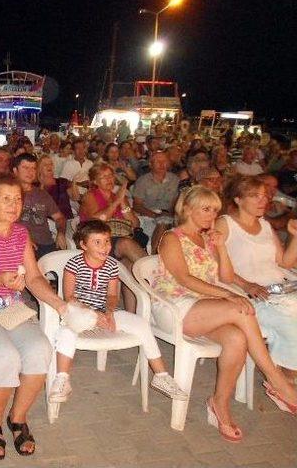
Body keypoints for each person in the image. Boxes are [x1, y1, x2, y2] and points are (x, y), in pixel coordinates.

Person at [154, 186, 297, 442]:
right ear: (187, 209)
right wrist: (227, 295)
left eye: (215, 210)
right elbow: (183, 278)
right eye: (206, 209)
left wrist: (220, 248)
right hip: (175, 306)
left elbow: (227, 277)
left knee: (237, 339)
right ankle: (277, 380)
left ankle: (219, 405)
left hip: (206, 307)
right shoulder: (171, 238)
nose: (212, 216)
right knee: (241, 307)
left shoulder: (208, 238)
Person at [0, 174, 70, 459]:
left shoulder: (21, 234)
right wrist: (2, 280)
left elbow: (33, 277)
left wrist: (59, 304)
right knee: (6, 356)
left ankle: (17, 418)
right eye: (6, 199)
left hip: (9, 309)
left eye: (18, 199)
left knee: (40, 348)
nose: (14, 204)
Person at [48, 220, 187, 403]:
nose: (104, 247)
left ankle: (161, 375)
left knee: (141, 324)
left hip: (103, 311)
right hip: (79, 312)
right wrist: (93, 314)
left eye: (106, 241)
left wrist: (109, 312)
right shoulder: (74, 265)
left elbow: (113, 295)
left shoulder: (111, 266)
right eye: (97, 242)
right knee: (67, 331)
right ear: (83, 245)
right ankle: (62, 379)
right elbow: (69, 297)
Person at [217, 175, 297, 381]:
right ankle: (287, 376)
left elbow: (283, 262)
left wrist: (295, 237)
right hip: (248, 294)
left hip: (278, 289)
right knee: (291, 322)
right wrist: (246, 284)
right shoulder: (225, 224)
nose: (263, 201)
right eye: (255, 196)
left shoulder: (265, 225)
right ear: (238, 199)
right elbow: (213, 264)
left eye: (264, 196)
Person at [79, 162, 146, 312]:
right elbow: (97, 220)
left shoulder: (119, 197)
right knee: (126, 244)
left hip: (118, 241)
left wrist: (122, 202)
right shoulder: (90, 196)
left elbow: (135, 223)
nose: (109, 179)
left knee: (130, 267)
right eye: (103, 177)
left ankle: (133, 314)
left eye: (110, 176)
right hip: (98, 241)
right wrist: (116, 202)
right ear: (95, 182)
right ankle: (154, 277)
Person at [13, 153, 67, 258]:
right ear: (15, 171)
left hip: (46, 244)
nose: (30, 172)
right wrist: (24, 239)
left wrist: (60, 233)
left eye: (33, 168)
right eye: (25, 168)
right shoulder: (8, 194)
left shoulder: (42, 194)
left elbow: (59, 217)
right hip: (19, 245)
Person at [132, 150, 179, 251]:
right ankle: (155, 252)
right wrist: (155, 215)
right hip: (149, 215)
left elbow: (176, 201)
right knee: (163, 221)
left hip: (169, 215)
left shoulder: (175, 180)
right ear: (150, 164)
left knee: (166, 220)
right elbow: (137, 205)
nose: (162, 164)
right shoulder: (143, 181)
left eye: (164, 161)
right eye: (158, 161)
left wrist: (170, 214)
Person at [36, 154, 78, 220]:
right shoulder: (35, 186)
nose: (49, 166)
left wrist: (74, 182)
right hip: (48, 222)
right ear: (39, 168)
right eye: (45, 164)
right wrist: (41, 184)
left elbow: (75, 198)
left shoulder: (62, 182)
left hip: (67, 219)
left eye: (51, 164)